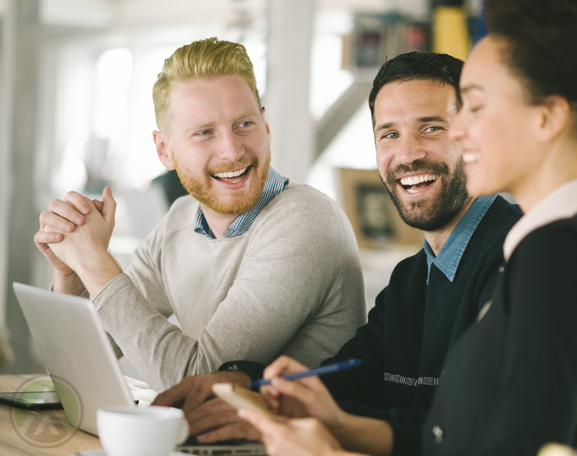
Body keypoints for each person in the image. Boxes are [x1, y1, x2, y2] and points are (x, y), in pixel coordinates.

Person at [235, 0, 577, 454]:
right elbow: (462, 437)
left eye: (475, 107)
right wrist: (338, 423)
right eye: (388, 133)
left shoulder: (558, 257)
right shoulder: (564, 241)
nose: (461, 130)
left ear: (547, 117)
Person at [151, 52, 522, 443]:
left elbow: (482, 433)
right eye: (390, 134)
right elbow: (347, 381)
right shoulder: (411, 280)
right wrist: (245, 384)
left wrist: (320, 422)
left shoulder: (521, 256)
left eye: (431, 128)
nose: (408, 154)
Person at [33, 37, 367, 393]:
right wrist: (71, 274)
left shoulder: (306, 221)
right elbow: (76, 362)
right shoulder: (180, 220)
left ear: (266, 127)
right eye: (205, 132)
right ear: (165, 150)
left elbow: (196, 384)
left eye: (244, 125)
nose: (232, 150)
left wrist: (96, 262)